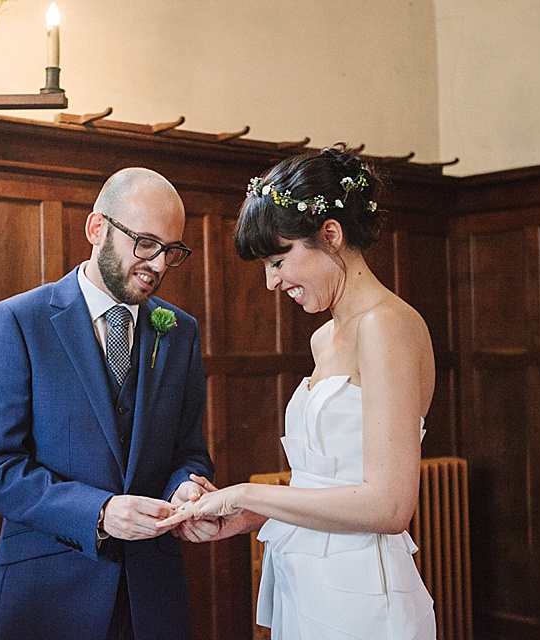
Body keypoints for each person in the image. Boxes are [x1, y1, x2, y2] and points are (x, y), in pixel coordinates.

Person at [157, 146, 437, 640]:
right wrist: (243, 515)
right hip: (305, 579)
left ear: (330, 234)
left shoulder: (387, 326)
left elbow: (390, 506)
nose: (271, 282)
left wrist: (248, 491)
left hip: (363, 597)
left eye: (280, 259)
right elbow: (329, 485)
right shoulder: (323, 338)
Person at [0, 167, 214, 640]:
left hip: (153, 601)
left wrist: (184, 488)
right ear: (97, 228)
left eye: (172, 251)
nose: (159, 265)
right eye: (145, 243)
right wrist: (99, 513)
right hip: (47, 597)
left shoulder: (180, 331)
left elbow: (189, 450)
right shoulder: (20, 321)